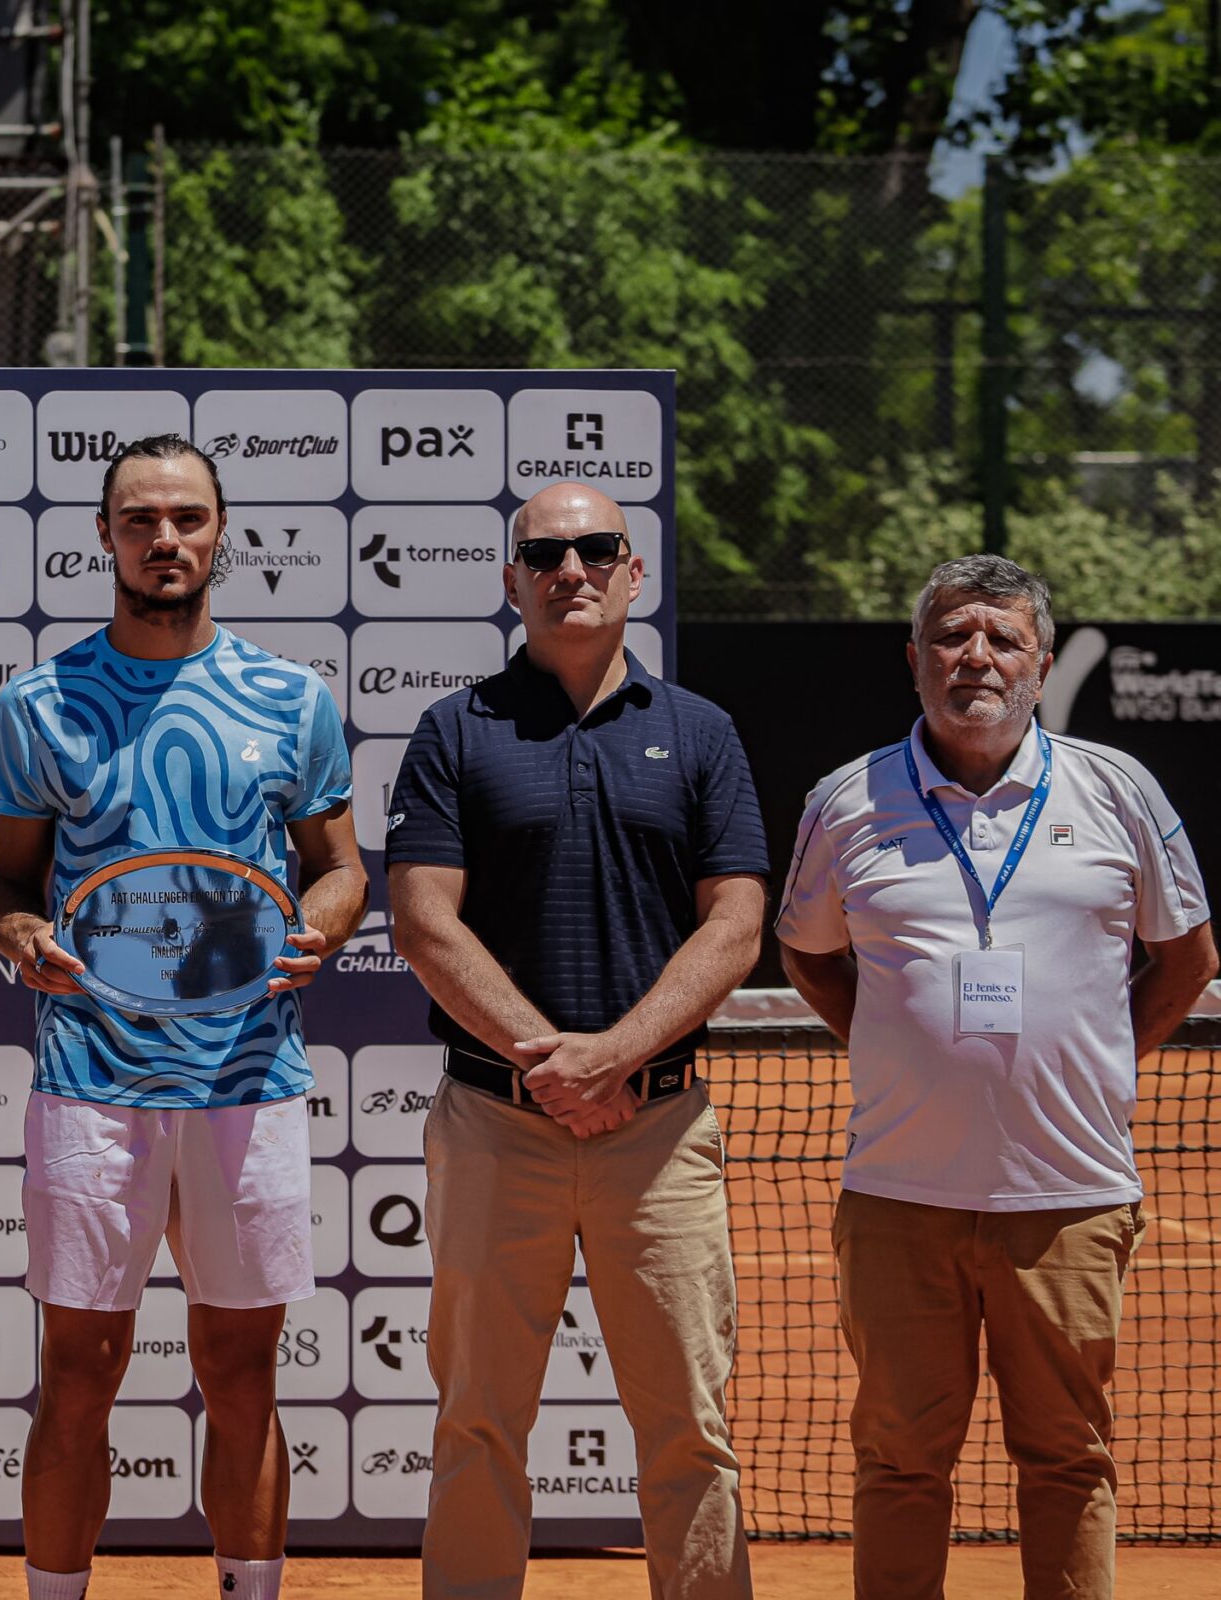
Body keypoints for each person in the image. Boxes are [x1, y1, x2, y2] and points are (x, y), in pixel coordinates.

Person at [778, 553, 1214, 1600]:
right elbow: (804, 951)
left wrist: (1100, 1064)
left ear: (1042, 661)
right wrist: (888, 1043)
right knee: (897, 1459)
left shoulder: (1118, 790)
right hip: (897, 1196)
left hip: (1067, 1199)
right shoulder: (846, 800)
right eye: (951, 635)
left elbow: (1188, 958)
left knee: (1068, 1457)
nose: (975, 656)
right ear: (914, 657)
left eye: (1001, 637)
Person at [0, 434, 366, 1600]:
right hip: (92, 1079)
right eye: (141, 519)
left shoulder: (292, 699)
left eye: (187, 519)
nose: (166, 540)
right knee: (79, 1367)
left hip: (247, 1076)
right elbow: (9, 885)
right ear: (105, 535)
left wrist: (327, 922)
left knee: (241, 1369)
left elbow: (338, 866)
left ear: (218, 534)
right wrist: (18, 935)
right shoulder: (39, 704)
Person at [387, 480, 767, 1599]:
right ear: (512, 581)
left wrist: (612, 1057)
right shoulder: (457, 729)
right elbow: (421, 919)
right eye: (545, 553)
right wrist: (551, 1061)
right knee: (475, 1424)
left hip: (658, 1131)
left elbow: (735, 924)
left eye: (596, 547)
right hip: (495, 1124)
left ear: (631, 571)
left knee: (690, 1432)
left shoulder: (700, 732)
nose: (572, 569)